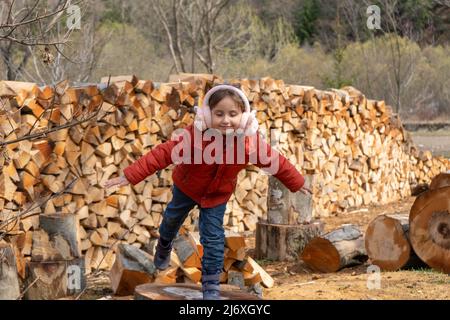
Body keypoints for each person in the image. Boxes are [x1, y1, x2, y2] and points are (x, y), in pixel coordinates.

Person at [104, 84, 311, 300]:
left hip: (216, 197)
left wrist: (297, 182)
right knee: (172, 219)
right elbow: (162, 154)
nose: (226, 120)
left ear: (245, 117)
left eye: (233, 114)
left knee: (213, 238)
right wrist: (129, 175)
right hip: (187, 188)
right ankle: (164, 245)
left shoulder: (249, 143)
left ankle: (210, 285)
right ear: (205, 115)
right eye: (218, 113)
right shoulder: (194, 136)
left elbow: (276, 162)